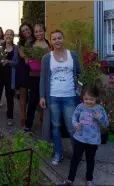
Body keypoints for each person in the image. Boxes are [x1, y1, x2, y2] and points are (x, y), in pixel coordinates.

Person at [39, 30, 81, 165]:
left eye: (59, 38)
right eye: (54, 39)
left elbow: (79, 73)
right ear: (50, 41)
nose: (57, 41)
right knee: (55, 126)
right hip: (53, 97)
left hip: (70, 96)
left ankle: (77, 153)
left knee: (72, 127)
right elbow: (43, 78)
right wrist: (42, 96)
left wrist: (80, 91)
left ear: (63, 39)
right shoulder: (47, 58)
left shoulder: (72, 55)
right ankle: (58, 153)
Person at [62, 85, 109, 186]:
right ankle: (70, 179)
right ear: (83, 97)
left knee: (90, 159)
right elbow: (74, 117)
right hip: (80, 138)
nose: (88, 101)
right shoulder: (80, 107)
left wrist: (100, 117)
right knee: (75, 158)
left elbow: (106, 124)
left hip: (93, 140)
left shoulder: (99, 109)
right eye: (86, 99)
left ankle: (89, 180)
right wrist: (75, 124)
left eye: (91, 99)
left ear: (96, 98)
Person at [23, 24, 51, 132]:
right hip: (34, 76)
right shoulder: (31, 44)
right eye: (36, 32)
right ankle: (28, 125)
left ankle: (45, 124)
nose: (38, 33)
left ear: (44, 31)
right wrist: (28, 60)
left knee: (46, 101)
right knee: (32, 101)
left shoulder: (49, 44)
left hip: (47, 77)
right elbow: (26, 57)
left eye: (40, 31)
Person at [0, 29, 19, 125]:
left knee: (9, 96)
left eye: (11, 34)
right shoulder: (0, 47)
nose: (9, 36)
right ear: (4, 36)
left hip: (10, 76)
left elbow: (17, 62)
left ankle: (10, 117)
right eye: (7, 34)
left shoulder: (16, 48)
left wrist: (8, 61)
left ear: (13, 37)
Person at [16, 23, 34, 128]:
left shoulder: (36, 40)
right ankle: (23, 116)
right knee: (23, 95)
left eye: (27, 29)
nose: (25, 32)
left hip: (35, 69)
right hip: (24, 68)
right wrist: (27, 57)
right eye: (23, 31)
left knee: (34, 95)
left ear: (30, 29)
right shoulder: (21, 42)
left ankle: (38, 116)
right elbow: (21, 53)